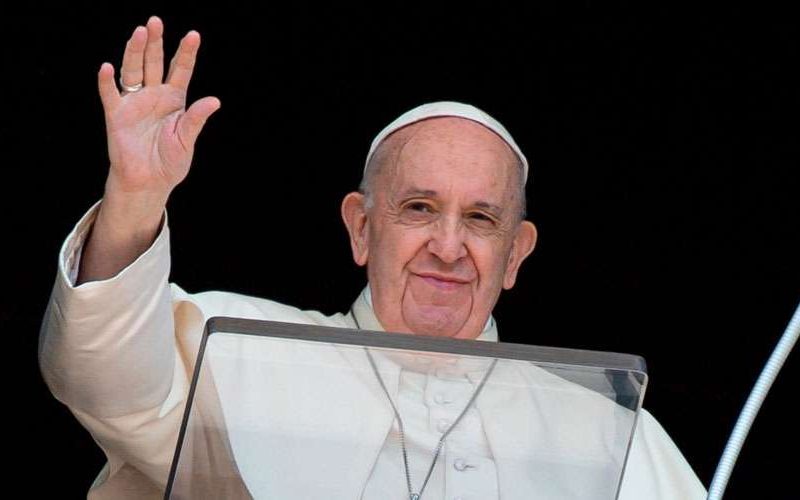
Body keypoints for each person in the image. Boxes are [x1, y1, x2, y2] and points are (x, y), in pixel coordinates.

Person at [38, 16, 707, 499]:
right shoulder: (237, 355)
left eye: (481, 219)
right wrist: (135, 197)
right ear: (360, 228)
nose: (449, 247)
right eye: (418, 208)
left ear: (515, 256)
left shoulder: (608, 435)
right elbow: (100, 378)